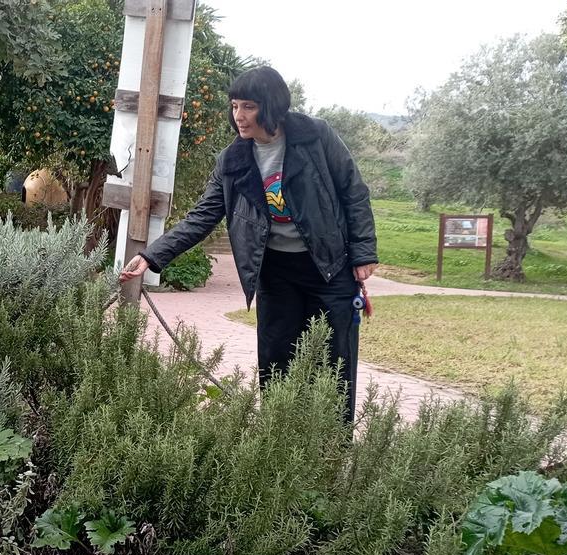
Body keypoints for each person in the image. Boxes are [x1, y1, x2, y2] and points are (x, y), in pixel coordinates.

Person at [119, 66, 378, 423]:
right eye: (234, 105)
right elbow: (202, 216)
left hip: (328, 269)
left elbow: (354, 191)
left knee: (335, 370)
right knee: (275, 367)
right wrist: (150, 256)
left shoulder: (316, 137)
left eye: (249, 107)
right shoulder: (233, 160)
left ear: (272, 106)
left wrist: (363, 251)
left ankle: (332, 454)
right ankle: (278, 447)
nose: (238, 116)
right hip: (274, 274)